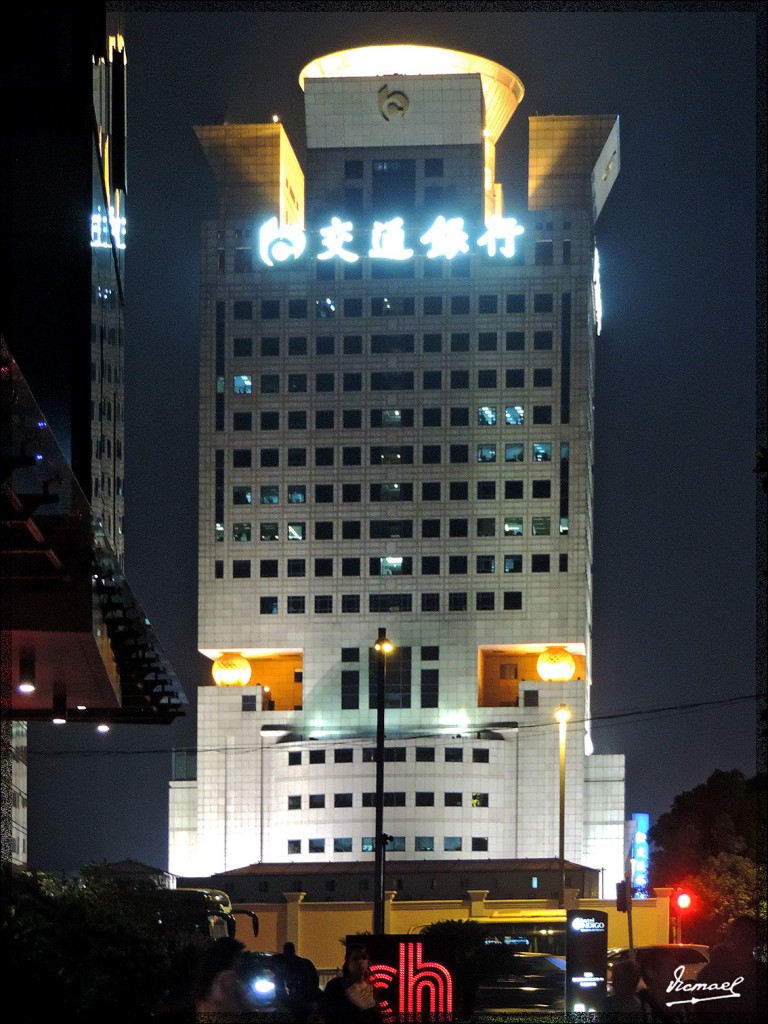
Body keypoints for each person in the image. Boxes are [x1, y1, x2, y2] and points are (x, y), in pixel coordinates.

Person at [192, 936, 255, 1017]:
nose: (241, 961)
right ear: (231, 957)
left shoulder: (205, 981)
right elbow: (232, 1006)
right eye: (239, 956)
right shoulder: (227, 977)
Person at [322, 944, 383, 1024]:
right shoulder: (336, 985)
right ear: (347, 964)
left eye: (363, 958)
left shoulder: (373, 988)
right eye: (355, 959)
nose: (360, 962)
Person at [274, 940, 321, 1023]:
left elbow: (312, 981)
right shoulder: (303, 963)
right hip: (301, 999)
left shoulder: (302, 964)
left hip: (304, 999)